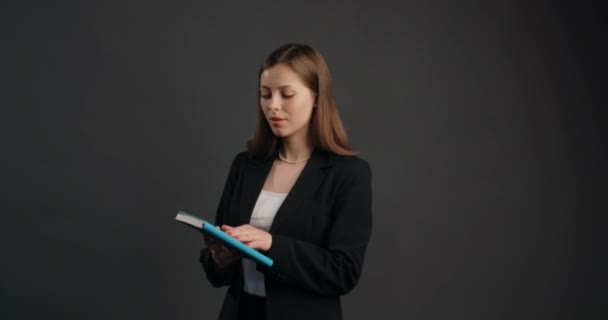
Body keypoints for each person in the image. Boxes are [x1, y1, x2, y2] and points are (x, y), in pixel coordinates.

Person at [199, 43, 372, 320]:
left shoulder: (349, 174)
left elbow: (344, 272)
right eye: (265, 95)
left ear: (317, 97)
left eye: (287, 94)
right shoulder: (245, 166)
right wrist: (219, 259)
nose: (273, 106)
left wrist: (270, 243)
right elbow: (216, 270)